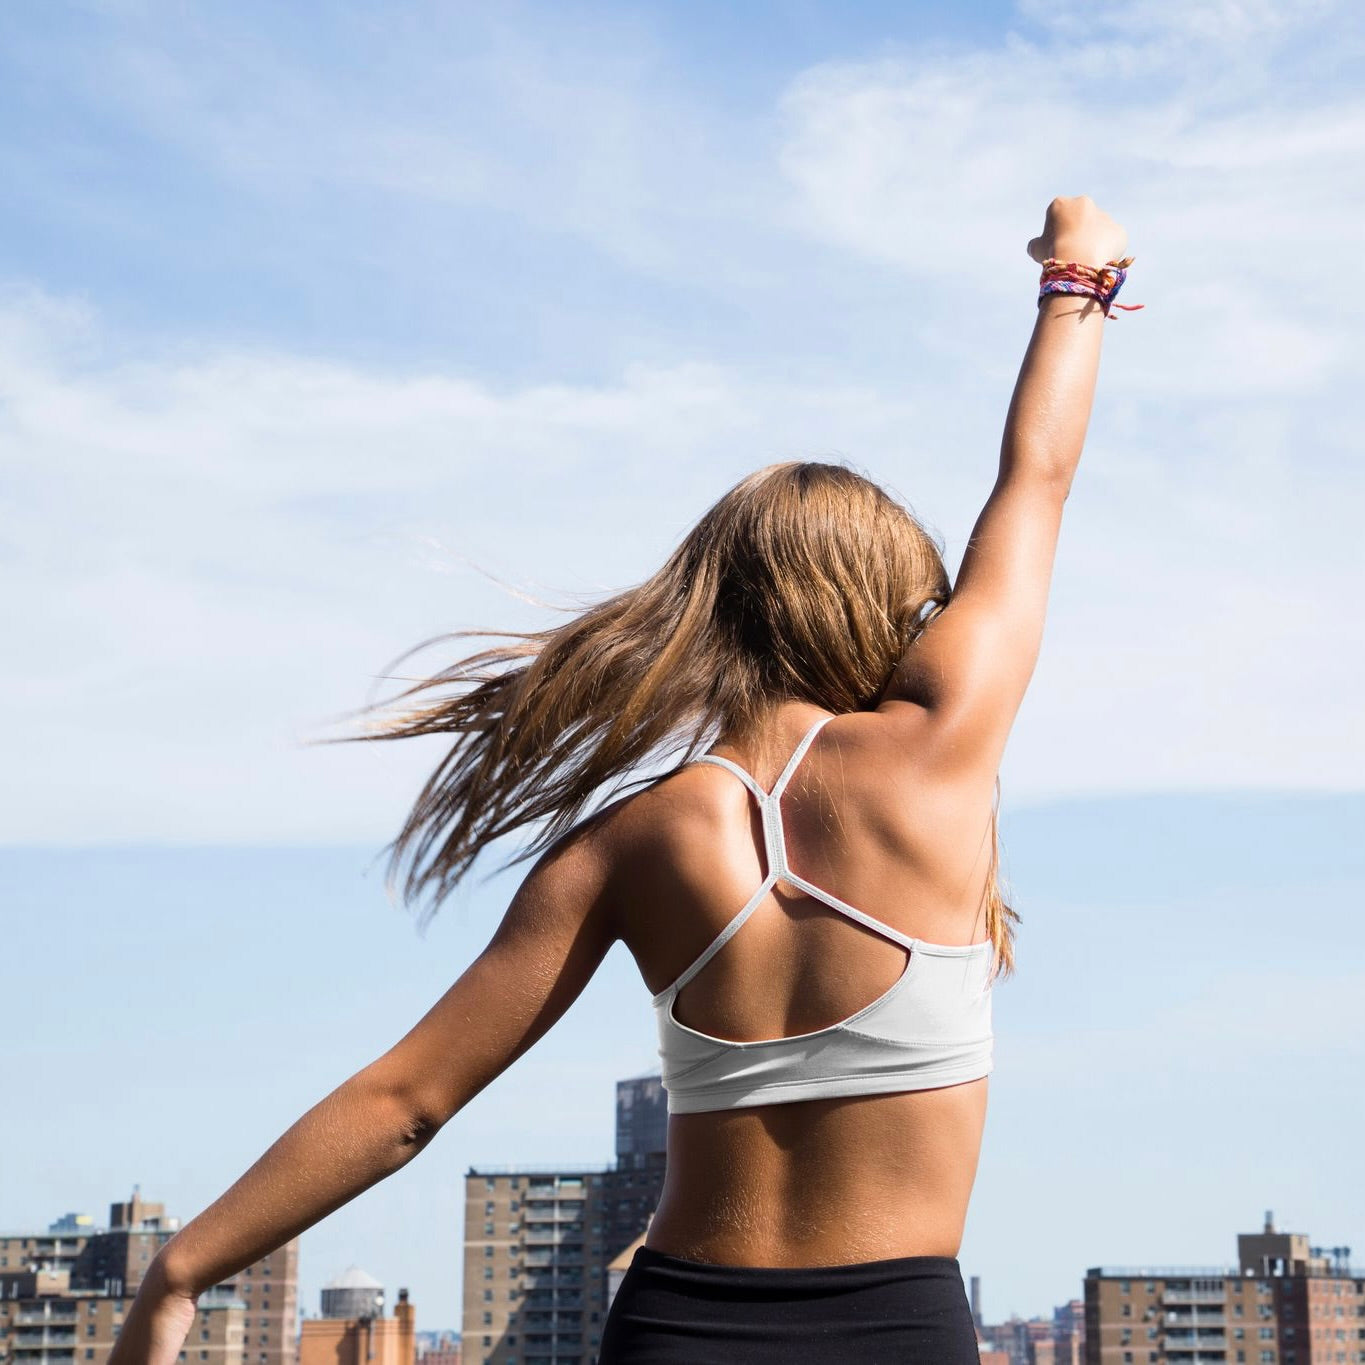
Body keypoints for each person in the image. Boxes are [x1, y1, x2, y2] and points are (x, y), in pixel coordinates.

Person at [108, 194, 1131, 1365]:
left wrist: (181, 1273)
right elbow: (1037, 478)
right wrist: (1077, 279)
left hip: (677, 1330)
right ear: (894, 612)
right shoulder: (935, 752)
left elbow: (405, 1105)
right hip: (899, 1329)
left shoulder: (627, 842)